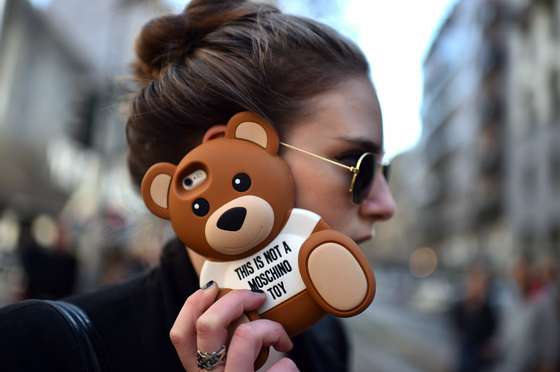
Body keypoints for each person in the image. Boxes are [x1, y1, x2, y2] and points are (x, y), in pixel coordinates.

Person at [0, 1, 395, 371]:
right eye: (357, 165)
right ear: (234, 151)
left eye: (385, 171)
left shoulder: (326, 336)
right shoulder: (40, 347)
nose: (385, 203)